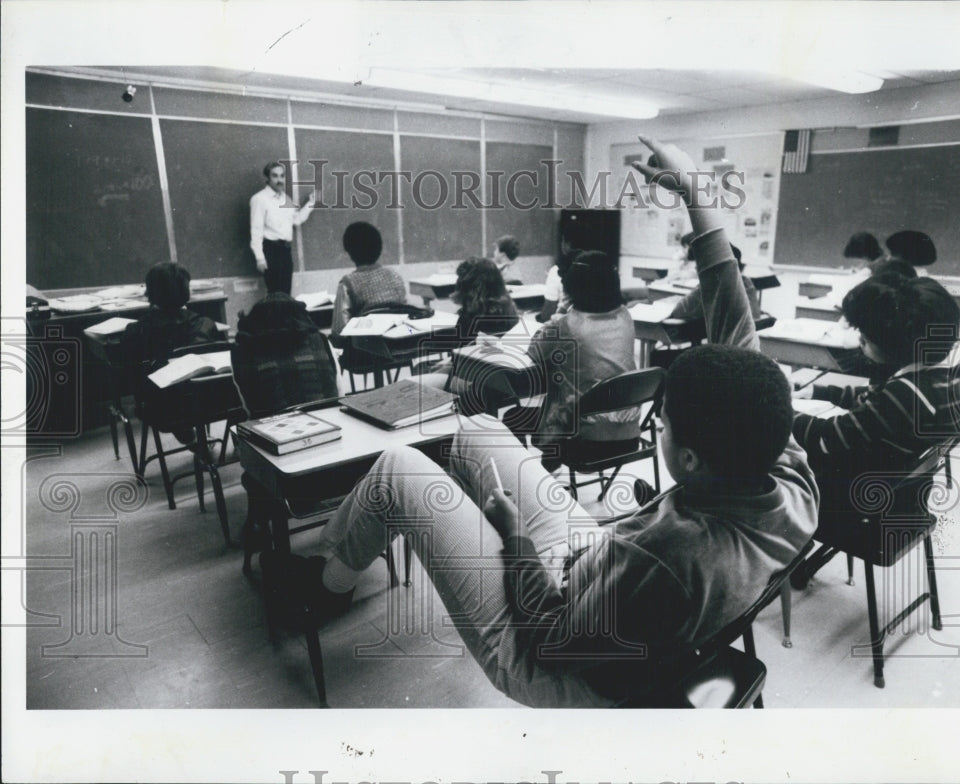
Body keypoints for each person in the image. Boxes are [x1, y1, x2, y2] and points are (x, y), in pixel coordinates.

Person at [259, 138, 818, 707]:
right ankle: (343, 559)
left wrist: (514, 537)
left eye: (666, 424)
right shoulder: (788, 480)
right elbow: (737, 331)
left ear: (693, 458)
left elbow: (551, 638)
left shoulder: (670, 556)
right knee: (477, 429)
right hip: (600, 569)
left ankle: (325, 586)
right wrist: (695, 197)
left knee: (400, 465)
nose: (661, 428)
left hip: (552, 654)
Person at [792, 271, 960, 514]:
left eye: (865, 338)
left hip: (859, 507)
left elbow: (826, 439)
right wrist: (820, 391)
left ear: (894, 346)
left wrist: (780, 410)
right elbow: (879, 405)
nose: (860, 340)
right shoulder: (954, 376)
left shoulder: (904, 395)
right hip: (907, 500)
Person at [502, 250, 639, 470]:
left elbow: (535, 351)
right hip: (629, 435)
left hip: (586, 442)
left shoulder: (566, 325)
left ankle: (532, 479)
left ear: (572, 289)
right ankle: (549, 465)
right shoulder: (626, 317)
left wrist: (562, 310)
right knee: (563, 398)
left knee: (513, 416)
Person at [121, 262, 224, 443]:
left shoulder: (136, 331)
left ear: (150, 293)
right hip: (212, 402)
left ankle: (192, 440)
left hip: (163, 411)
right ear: (186, 292)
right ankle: (205, 442)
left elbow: (130, 377)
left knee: (170, 394)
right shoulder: (207, 324)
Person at [413, 256, 519, 393]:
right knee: (426, 369)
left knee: (413, 384)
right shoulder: (507, 308)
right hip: (502, 379)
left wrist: (448, 364)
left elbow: (461, 354)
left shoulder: (472, 314)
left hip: (472, 381)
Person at [330, 222, 408, 340]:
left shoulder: (347, 283)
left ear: (349, 252)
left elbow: (339, 332)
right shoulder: (395, 276)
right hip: (400, 351)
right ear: (379, 248)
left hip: (366, 354)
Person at [249, 161, 315, 294]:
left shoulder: (286, 198)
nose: (280, 180)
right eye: (275, 176)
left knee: (286, 294)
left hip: (285, 251)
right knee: (275, 295)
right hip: (271, 252)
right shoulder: (259, 199)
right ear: (267, 178)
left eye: (282, 176)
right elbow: (256, 230)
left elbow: (296, 220)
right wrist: (260, 258)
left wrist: (310, 204)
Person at [668, 243, 761, 321]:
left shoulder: (712, 284)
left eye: (700, 264)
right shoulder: (745, 281)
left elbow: (679, 311)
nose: (696, 268)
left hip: (726, 341)